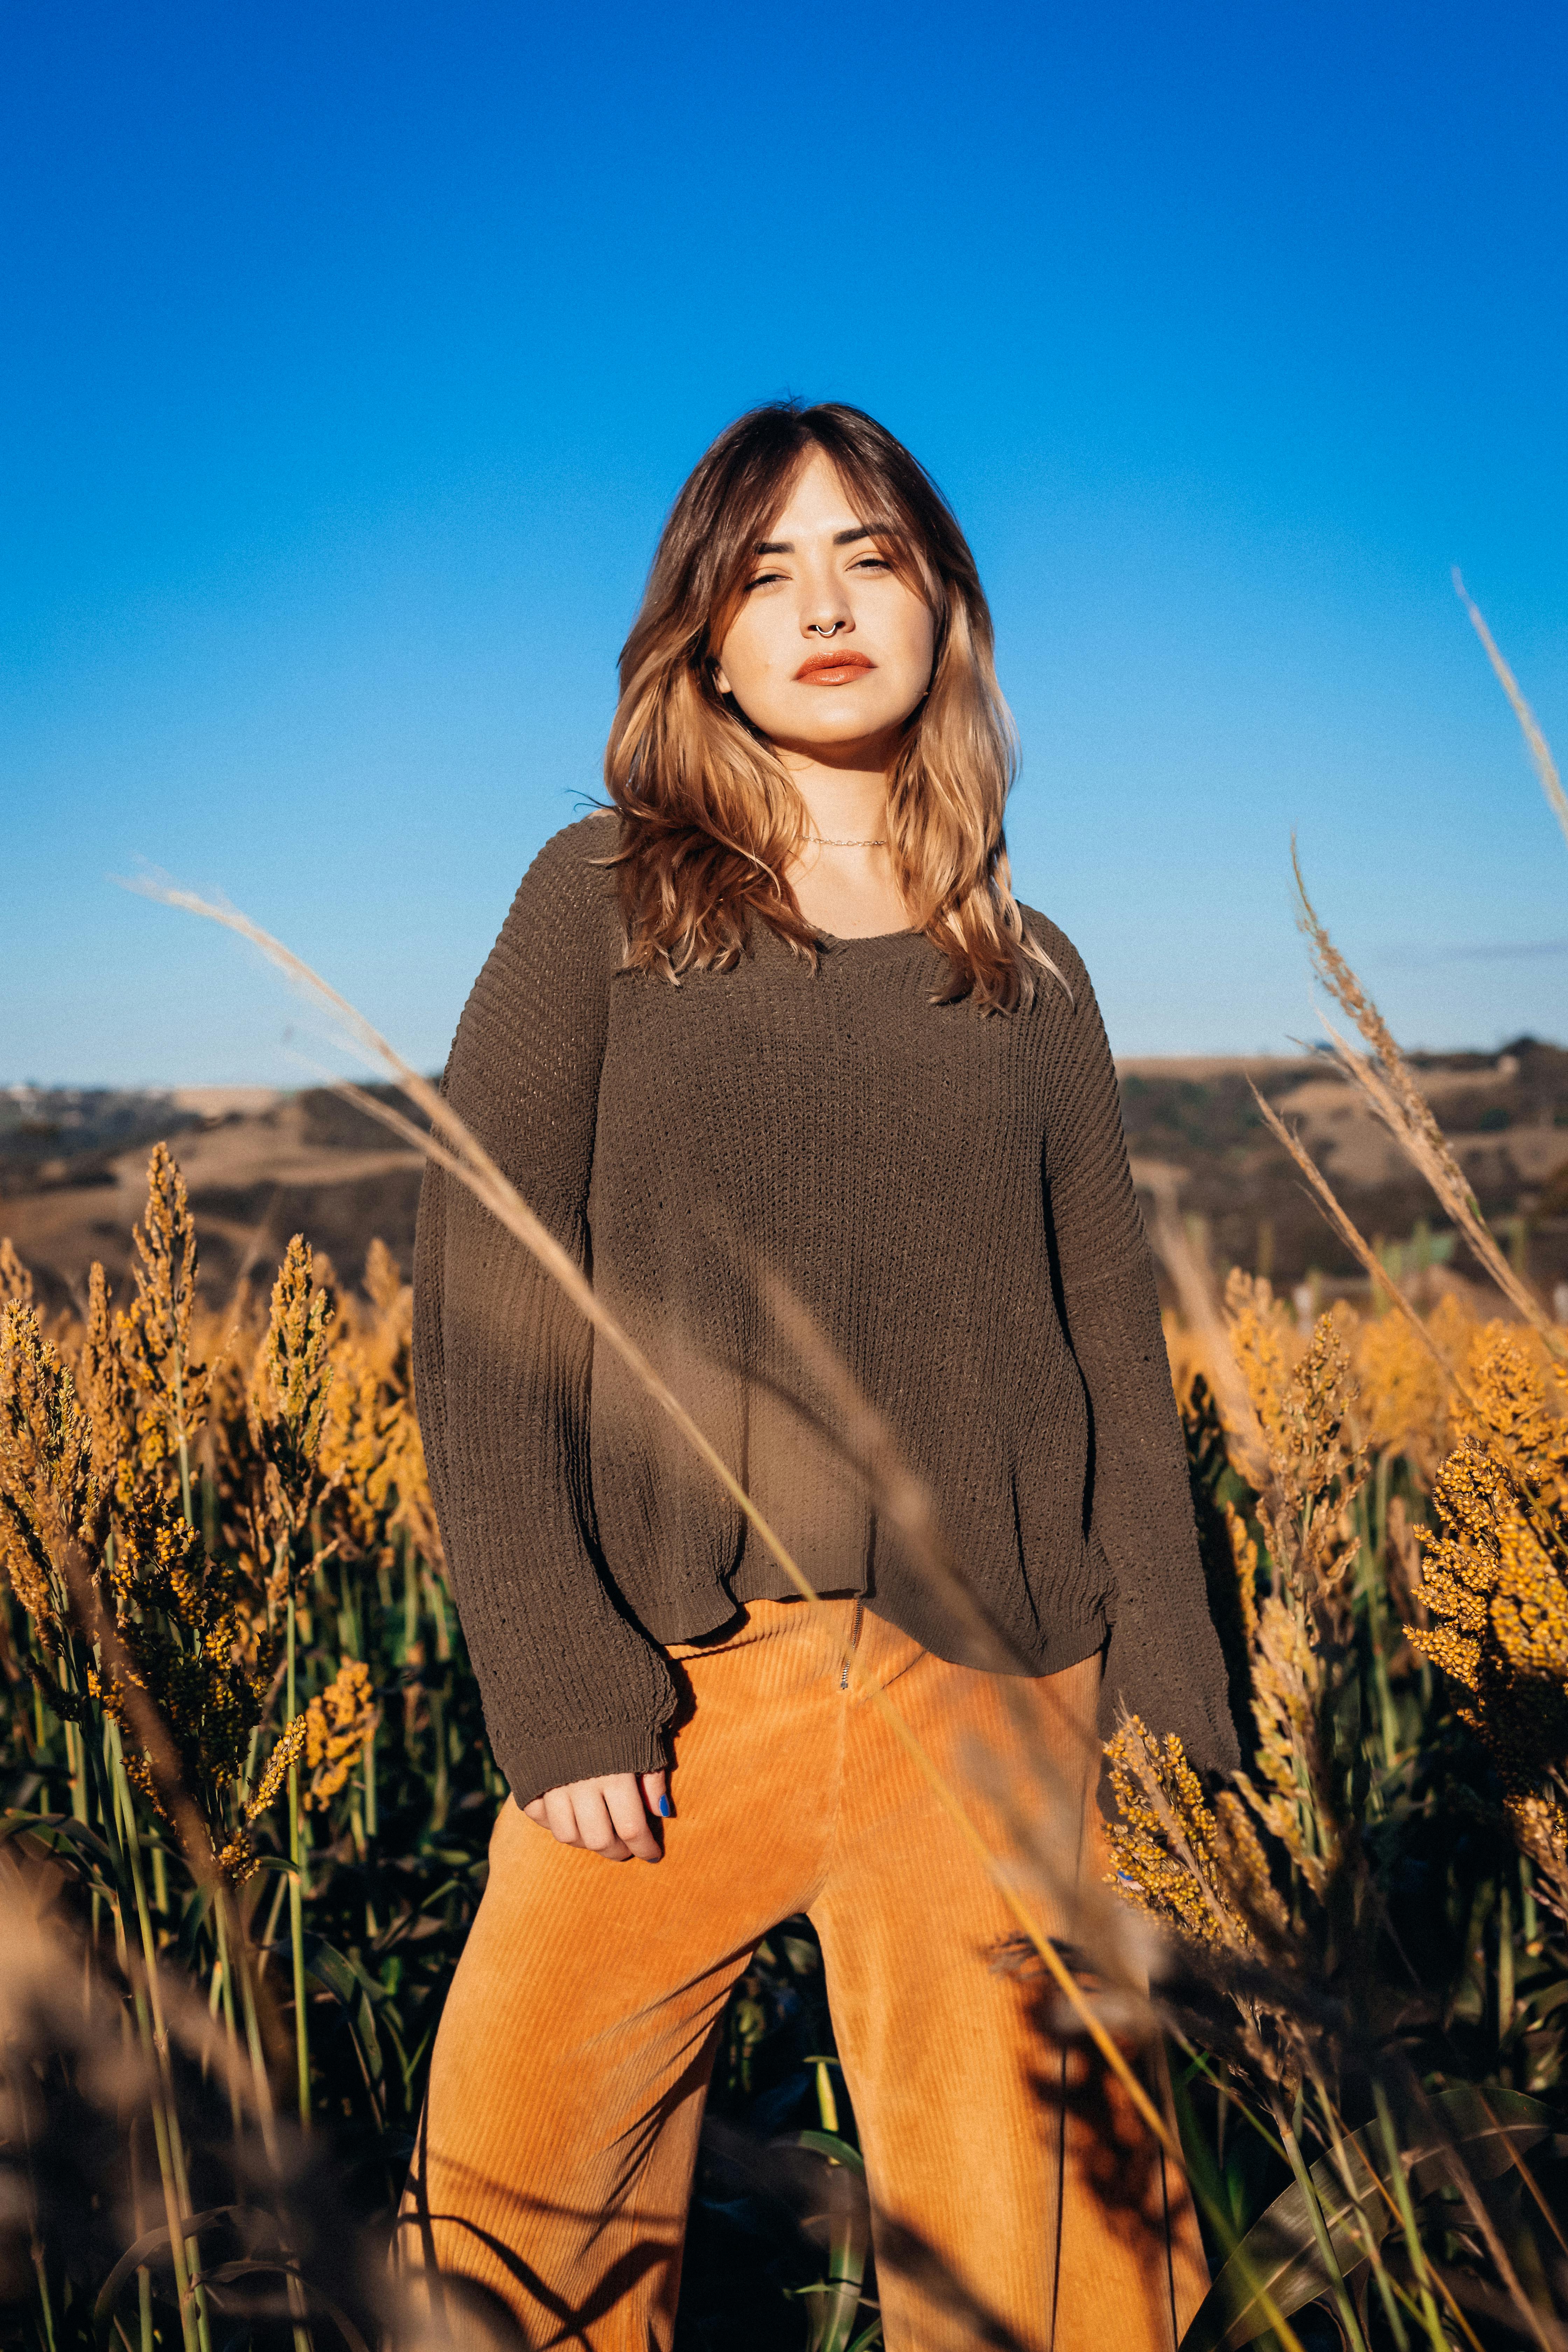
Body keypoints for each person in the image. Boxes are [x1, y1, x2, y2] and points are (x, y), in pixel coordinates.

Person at [404, 400, 1237, 2351]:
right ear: (702, 641)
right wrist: (555, 1674)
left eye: (870, 557)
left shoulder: (1032, 970)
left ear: (945, 607)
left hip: (1005, 1694)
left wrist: (1177, 1694)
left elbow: (1111, 1328)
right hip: (678, 1696)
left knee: (1059, 2277)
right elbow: (479, 1288)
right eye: (766, 572)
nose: (826, 603)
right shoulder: (596, 897)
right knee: (515, 2226)